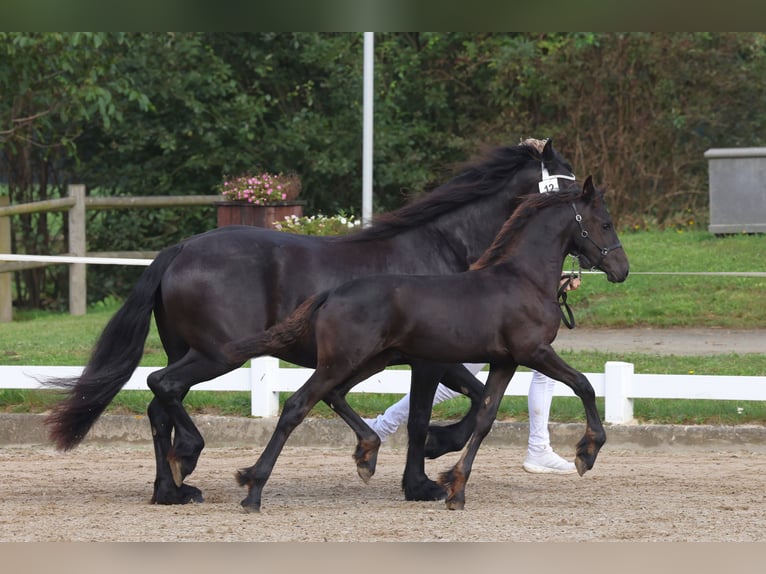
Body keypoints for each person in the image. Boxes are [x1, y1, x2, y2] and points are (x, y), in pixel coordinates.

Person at [365, 275, 582, 475]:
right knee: (453, 381)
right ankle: (538, 449)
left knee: (540, 372)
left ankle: (382, 426)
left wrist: (553, 279)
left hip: (489, 307)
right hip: (487, 312)